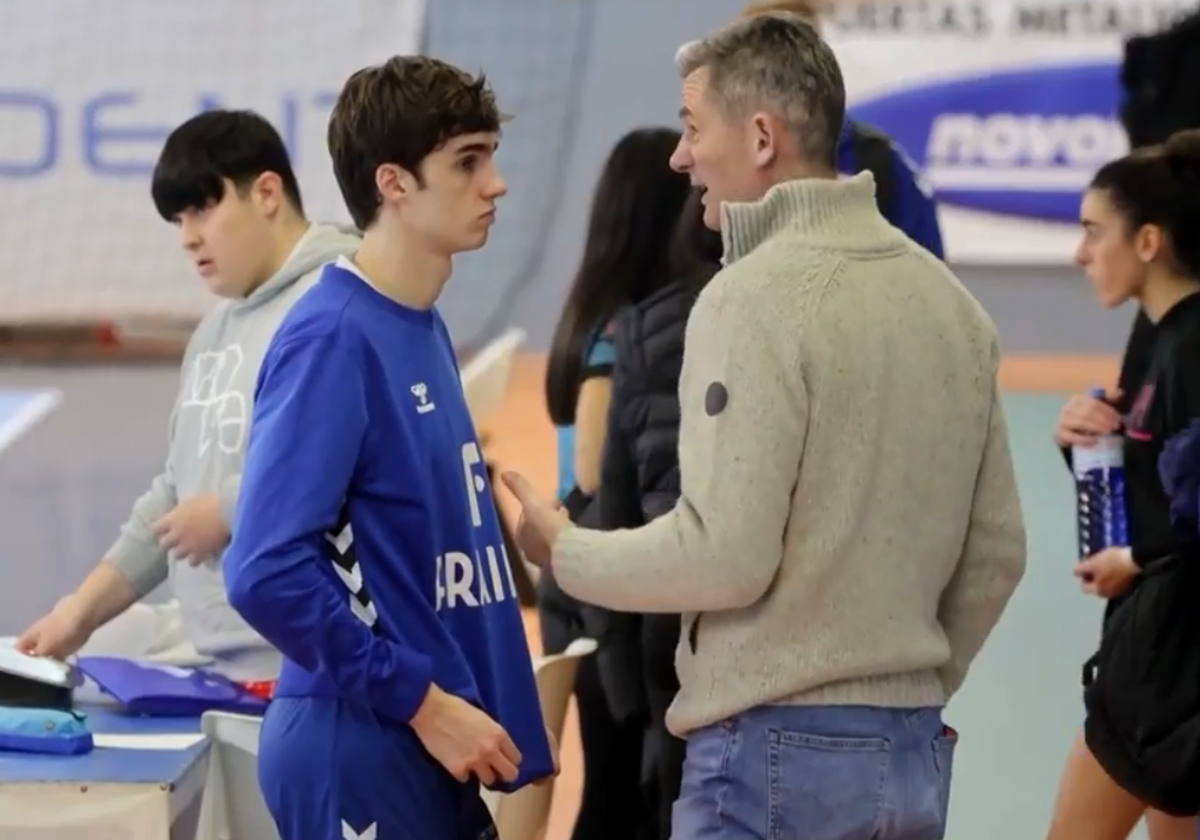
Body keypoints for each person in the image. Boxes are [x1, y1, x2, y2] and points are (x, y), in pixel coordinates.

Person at [503, 13, 1027, 839]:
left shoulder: (747, 299)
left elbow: (726, 554)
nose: (680, 158)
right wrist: (906, 690)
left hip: (768, 760)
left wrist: (565, 551)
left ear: (758, 136)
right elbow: (999, 550)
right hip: (912, 754)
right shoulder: (953, 307)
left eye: (691, 128)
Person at [221, 56, 555, 840]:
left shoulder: (421, 323)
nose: (495, 184)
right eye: (467, 162)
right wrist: (423, 701)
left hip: (422, 743)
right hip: (361, 740)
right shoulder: (334, 339)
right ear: (394, 183)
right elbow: (263, 571)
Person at [17, 109, 359, 681]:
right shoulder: (213, 335)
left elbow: (351, 465)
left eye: (203, 208)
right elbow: (175, 496)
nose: (189, 237)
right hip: (221, 664)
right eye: (179, 219)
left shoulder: (339, 305)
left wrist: (228, 509)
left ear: (268, 192)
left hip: (315, 669)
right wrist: (79, 612)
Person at [539, 125, 696, 840]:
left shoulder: (600, 321)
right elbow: (592, 466)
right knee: (614, 790)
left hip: (586, 583)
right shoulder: (621, 336)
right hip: (599, 590)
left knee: (612, 786)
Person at [1045, 129, 1200, 840]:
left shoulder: (1193, 348)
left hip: (1169, 667)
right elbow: (1150, 482)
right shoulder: (1154, 333)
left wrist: (1135, 561)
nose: (1080, 253)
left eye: (1092, 231)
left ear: (1147, 241)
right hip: (1153, 651)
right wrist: (1082, 439)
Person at [589, 187, 722, 840]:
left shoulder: (637, 330)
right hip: (766, 654)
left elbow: (608, 512)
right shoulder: (821, 316)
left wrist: (627, 707)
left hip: (666, 640)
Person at [742, 0, 946, 258]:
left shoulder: (879, 163)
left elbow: (929, 277)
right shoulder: (718, 161)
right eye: (765, 59)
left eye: (802, 55)